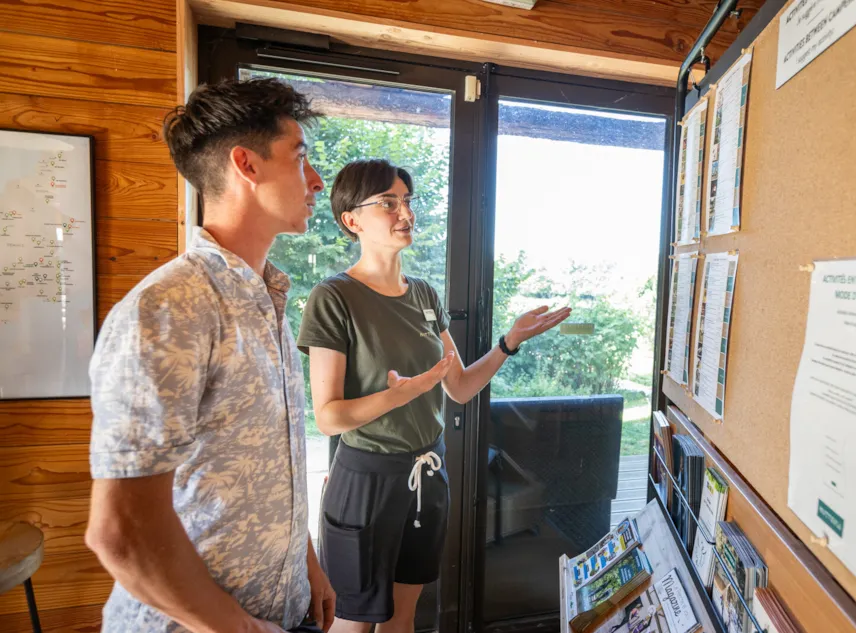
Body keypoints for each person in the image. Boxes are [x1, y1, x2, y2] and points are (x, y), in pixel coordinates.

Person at [85, 78, 336, 633]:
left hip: (286, 606)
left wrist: (308, 565)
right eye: (301, 159)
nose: (316, 181)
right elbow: (120, 531)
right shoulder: (169, 307)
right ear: (246, 165)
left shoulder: (266, 296)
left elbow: (278, 461)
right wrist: (237, 627)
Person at [297, 159, 572, 633]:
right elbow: (328, 418)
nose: (404, 212)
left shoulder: (423, 294)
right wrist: (405, 394)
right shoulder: (333, 297)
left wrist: (509, 342)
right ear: (352, 220)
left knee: (404, 617)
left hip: (429, 472)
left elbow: (460, 386)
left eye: (407, 200)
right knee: (354, 622)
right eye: (388, 202)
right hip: (367, 479)